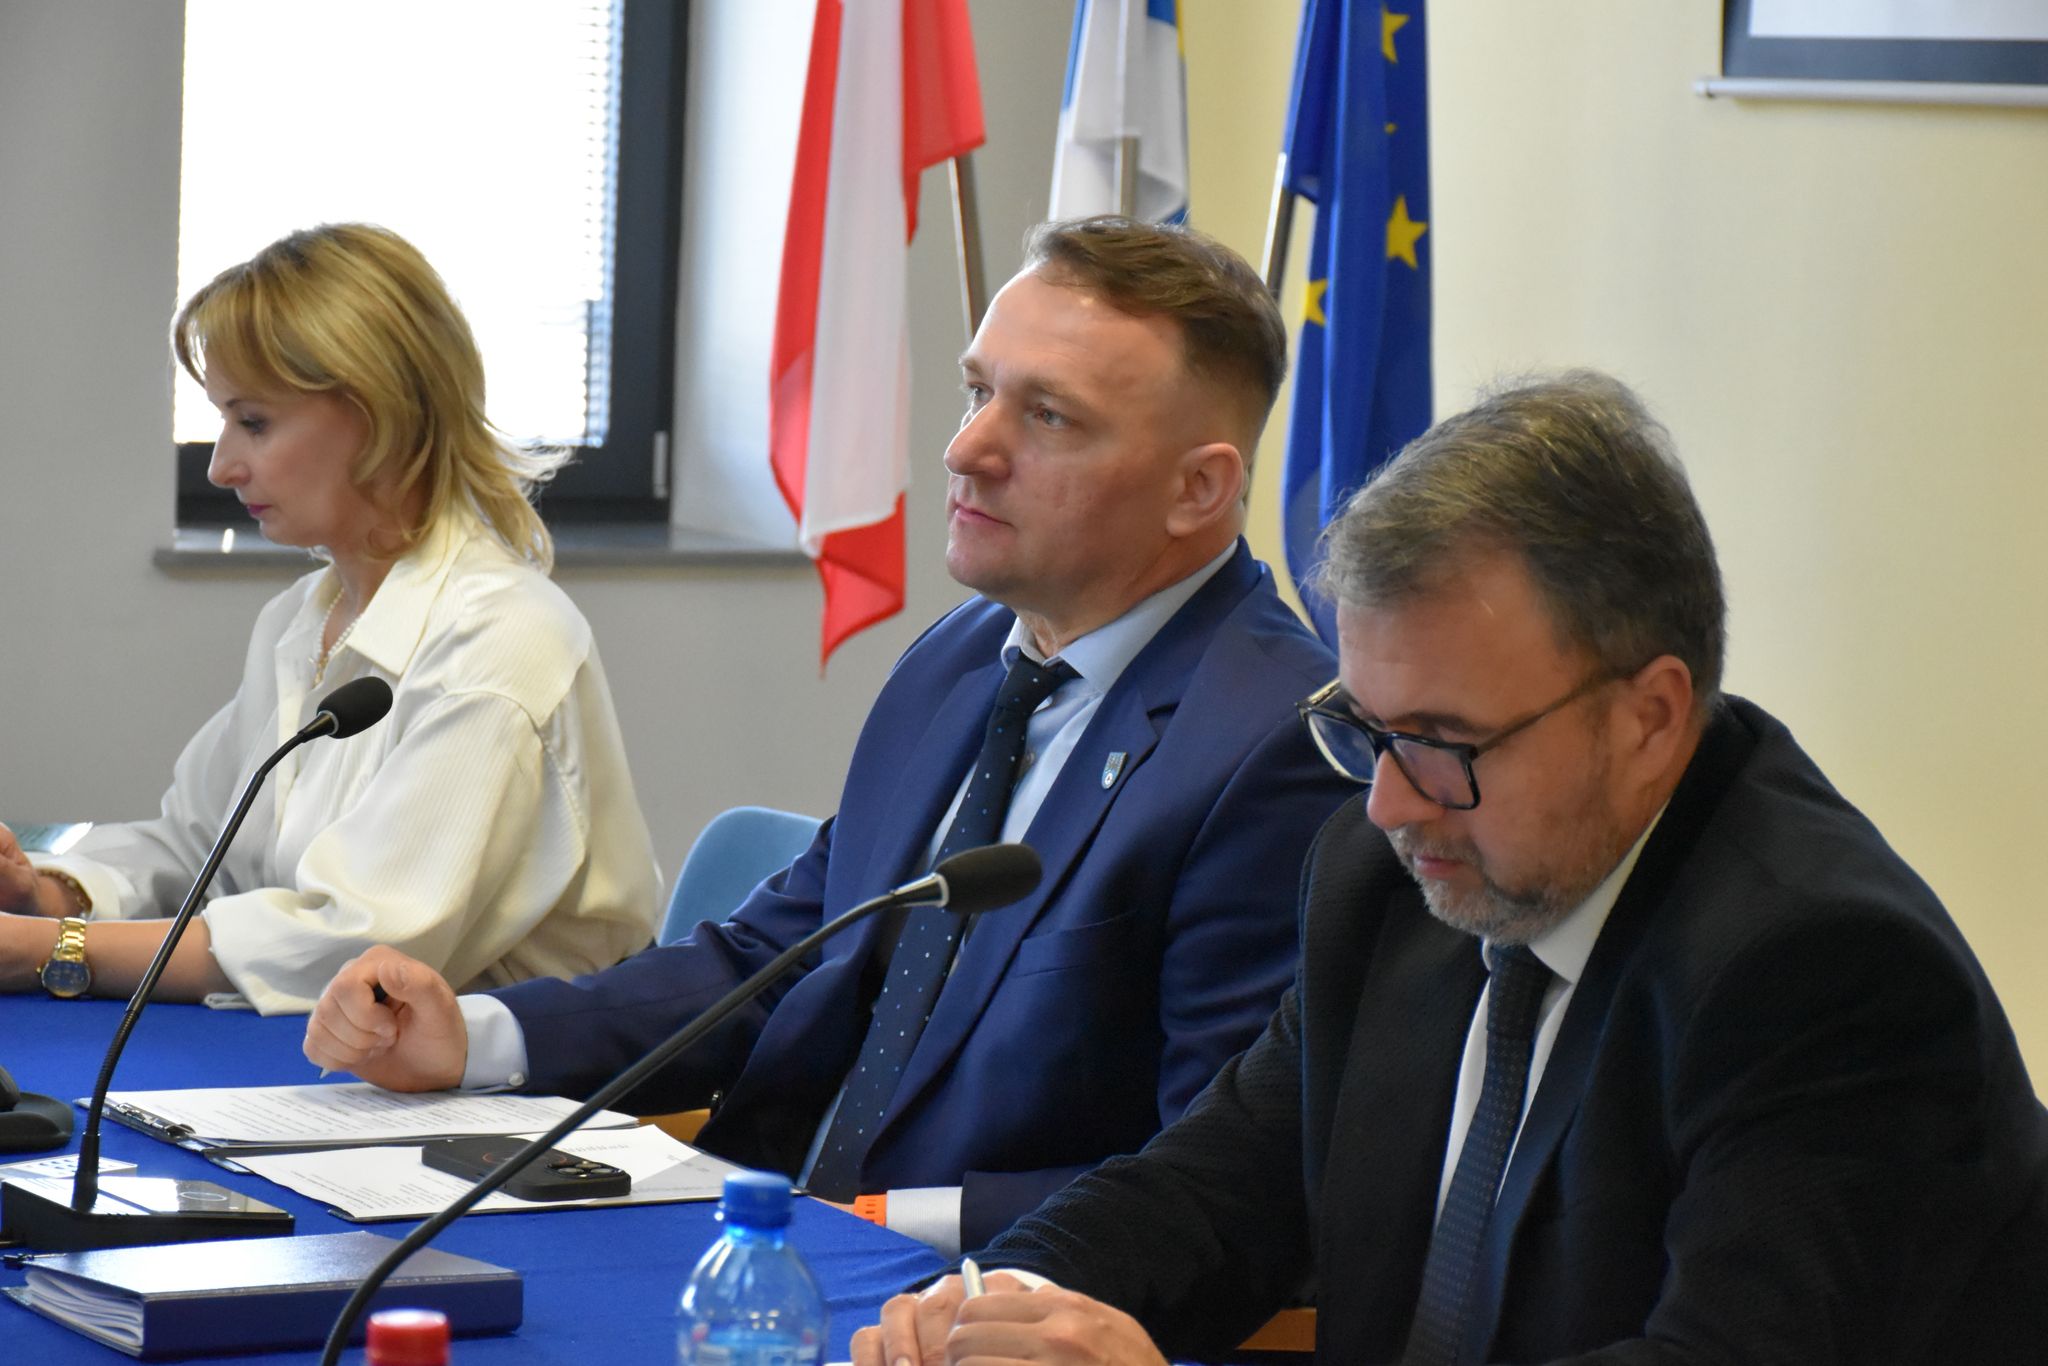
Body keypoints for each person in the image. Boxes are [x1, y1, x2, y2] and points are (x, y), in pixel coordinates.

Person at [857, 372, 2048, 1364]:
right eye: (1364, 726)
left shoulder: (1821, 974)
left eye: (1440, 740)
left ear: (1647, 715)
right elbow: (1210, 1188)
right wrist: (996, 1307)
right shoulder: (1392, 874)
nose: (1385, 799)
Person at [303, 217, 1354, 1255]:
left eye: (1047, 417)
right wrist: (479, 1035)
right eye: (977, 391)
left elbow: (1217, 1180)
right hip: (762, 1233)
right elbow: (781, 956)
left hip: (972, 1290)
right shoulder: (964, 655)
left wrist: (886, 1223)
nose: (965, 450)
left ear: (1197, 488)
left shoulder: (1274, 748)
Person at [0, 223, 660, 1015]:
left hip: (516, 1075)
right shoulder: (303, 616)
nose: (221, 466)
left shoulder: (502, 640)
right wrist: (47, 894)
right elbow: (198, 847)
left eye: (253, 422)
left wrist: (51, 951)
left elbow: (356, 947)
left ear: (379, 415)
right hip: (342, 1054)